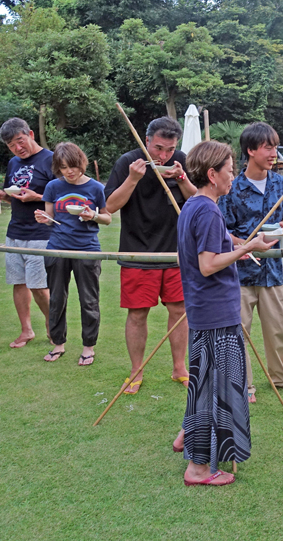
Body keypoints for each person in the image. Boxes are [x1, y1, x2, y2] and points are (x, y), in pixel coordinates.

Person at [170, 141, 272, 486]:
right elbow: (208, 263)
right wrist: (247, 247)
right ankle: (198, 468)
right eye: (229, 169)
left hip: (205, 310)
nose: (233, 174)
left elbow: (210, 244)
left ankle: (187, 432)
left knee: (204, 382)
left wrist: (232, 245)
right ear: (212, 174)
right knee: (213, 391)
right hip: (215, 314)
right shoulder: (209, 209)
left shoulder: (194, 205)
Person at [104, 116, 197, 394]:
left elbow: (197, 201)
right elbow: (110, 206)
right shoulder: (128, 162)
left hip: (176, 250)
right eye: (158, 148)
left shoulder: (181, 160)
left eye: (169, 149)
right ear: (146, 141)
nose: (164, 155)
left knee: (179, 311)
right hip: (137, 250)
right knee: (137, 313)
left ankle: (179, 367)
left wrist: (181, 176)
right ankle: (136, 370)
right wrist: (134, 178)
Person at [219, 123, 283, 403]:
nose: (273, 153)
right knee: (240, 332)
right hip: (239, 272)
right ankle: (246, 385)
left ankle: (280, 377)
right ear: (250, 150)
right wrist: (243, 244)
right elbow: (223, 230)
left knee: (279, 329)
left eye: (275, 147)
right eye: (268, 147)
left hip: (272, 271)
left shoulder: (281, 183)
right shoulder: (231, 186)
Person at [35, 142, 111, 366]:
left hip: (86, 249)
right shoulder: (53, 187)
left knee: (89, 299)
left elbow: (107, 218)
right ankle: (58, 343)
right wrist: (42, 218)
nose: (69, 171)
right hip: (57, 247)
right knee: (57, 298)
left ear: (82, 164)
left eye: (74, 166)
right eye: (64, 167)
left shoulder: (95, 187)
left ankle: (88, 347)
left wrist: (93, 216)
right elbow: (50, 219)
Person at [0, 118, 54, 348]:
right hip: (15, 231)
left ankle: (51, 325)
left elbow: (63, 195)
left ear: (30, 134)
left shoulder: (51, 159)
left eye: (20, 141)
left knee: (39, 285)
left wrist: (37, 197)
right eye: (11, 145)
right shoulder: (13, 163)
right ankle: (26, 330)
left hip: (40, 232)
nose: (18, 148)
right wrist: (3, 196)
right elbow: (14, 194)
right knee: (18, 283)